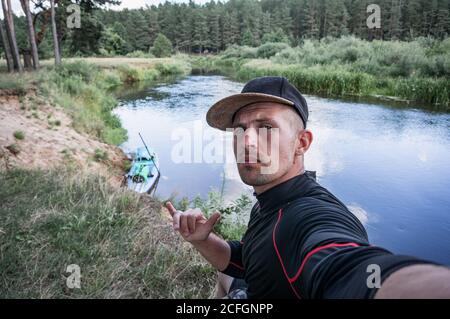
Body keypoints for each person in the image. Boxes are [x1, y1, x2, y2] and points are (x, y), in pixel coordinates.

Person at [165, 76, 450, 299]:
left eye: (266, 127)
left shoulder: (310, 215)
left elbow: (343, 266)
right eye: (240, 129)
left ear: (302, 143)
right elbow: (250, 262)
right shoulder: (270, 199)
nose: (246, 141)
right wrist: (202, 239)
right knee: (224, 277)